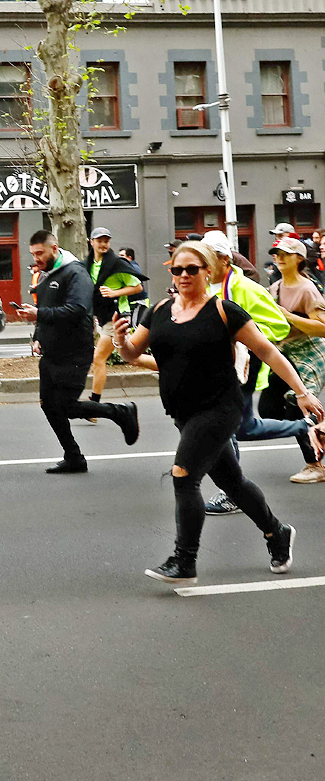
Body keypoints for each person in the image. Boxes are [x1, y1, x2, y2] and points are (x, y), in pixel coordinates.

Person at [113, 241, 322, 584]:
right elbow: (135, 353)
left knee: (184, 475)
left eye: (191, 269)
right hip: (184, 412)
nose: (183, 275)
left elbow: (267, 351)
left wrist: (301, 392)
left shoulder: (224, 311)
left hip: (220, 408)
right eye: (176, 269)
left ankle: (185, 561)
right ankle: (277, 531)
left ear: (207, 271)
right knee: (233, 482)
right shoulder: (161, 310)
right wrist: (121, 342)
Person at [198, 230, 320, 510]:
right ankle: (309, 426)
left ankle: (232, 494)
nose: (201, 264)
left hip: (244, 368)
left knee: (229, 429)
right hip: (218, 369)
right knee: (243, 427)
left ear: (225, 259)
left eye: (207, 258)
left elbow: (278, 326)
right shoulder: (208, 286)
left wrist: (242, 337)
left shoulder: (247, 289)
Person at [17, 230, 140, 474]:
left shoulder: (76, 273)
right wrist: (38, 336)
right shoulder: (45, 274)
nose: (36, 258)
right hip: (51, 352)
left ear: (54, 248)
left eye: (40, 253)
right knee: (48, 405)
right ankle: (73, 457)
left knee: (65, 406)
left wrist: (38, 314)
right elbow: (45, 309)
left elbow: (77, 309)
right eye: (33, 254)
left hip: (74, 352)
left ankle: (120, 412)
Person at [261, 236, 325, 483]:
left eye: (284, 254)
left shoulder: (307, 288)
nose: (278, 257)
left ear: (299, 258)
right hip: (284, 354)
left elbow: (322, 327)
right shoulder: (275, 288)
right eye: (276, 253)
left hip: (310, 354)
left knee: (299, 410)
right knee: (268, 409)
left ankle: (315, 466)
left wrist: (288, 316)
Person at [84, 228, 148, 416]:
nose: (103, 244)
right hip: (102, 318)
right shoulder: (89, 264)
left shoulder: (116, 264)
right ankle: (166, 365)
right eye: (100, 240)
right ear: (91, 242)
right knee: (133, 358)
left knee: (99, 359)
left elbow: (137, 287)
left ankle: (94, 406)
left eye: (106, 241)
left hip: (116, 318)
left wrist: (115, 293)